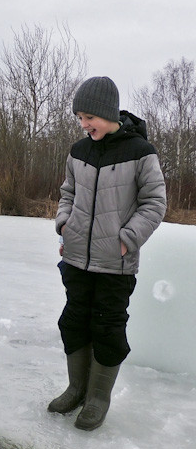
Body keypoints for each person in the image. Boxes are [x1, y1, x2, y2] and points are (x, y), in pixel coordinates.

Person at [48, 76, 166, 430]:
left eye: (89, 117)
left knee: (108, 328)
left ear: (107, 113)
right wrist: (64, 224)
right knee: (73, 321)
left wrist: (128, 238)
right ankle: (76, 388)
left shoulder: (140, 152)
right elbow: (67, 192)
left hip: (115, 262)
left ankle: (97, 398)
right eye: (79, 118)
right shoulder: (78, 151)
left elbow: (155, 202)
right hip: (76, 260)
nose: (84, 125)